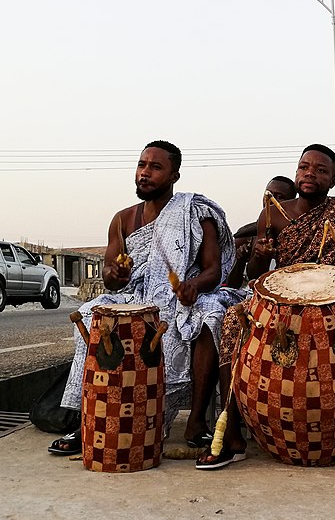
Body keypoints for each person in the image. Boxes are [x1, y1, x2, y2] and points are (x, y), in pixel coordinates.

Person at [197, 144, 335, 472]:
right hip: (283, 302)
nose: (310, 174)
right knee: (231, 319)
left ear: (332, 181)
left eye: (321, 170)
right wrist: (259, 253)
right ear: (296, 172)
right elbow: (257, 274)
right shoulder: (272, 213)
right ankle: (230, 438)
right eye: (304, 167)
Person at [48, 140, 239, 455]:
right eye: (141, 165)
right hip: (136, 293)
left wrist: (193, 286)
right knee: (89, 314)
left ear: (174, 175)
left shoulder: (194, 212)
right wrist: (115, 275)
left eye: (155, 167)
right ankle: (88, 421)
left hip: (184, 295)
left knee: (211, 316)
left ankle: (196, 424)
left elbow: (213, 270)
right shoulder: (123, 219)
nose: (145, 173)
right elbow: (111, 273)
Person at [224, 176, 296, 289]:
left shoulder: (297, 234)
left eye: (280, 197)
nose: (270, 199)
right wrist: (240, 261)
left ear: (292, 201)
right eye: (268, 194)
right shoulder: (246, 236)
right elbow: (231, 286)